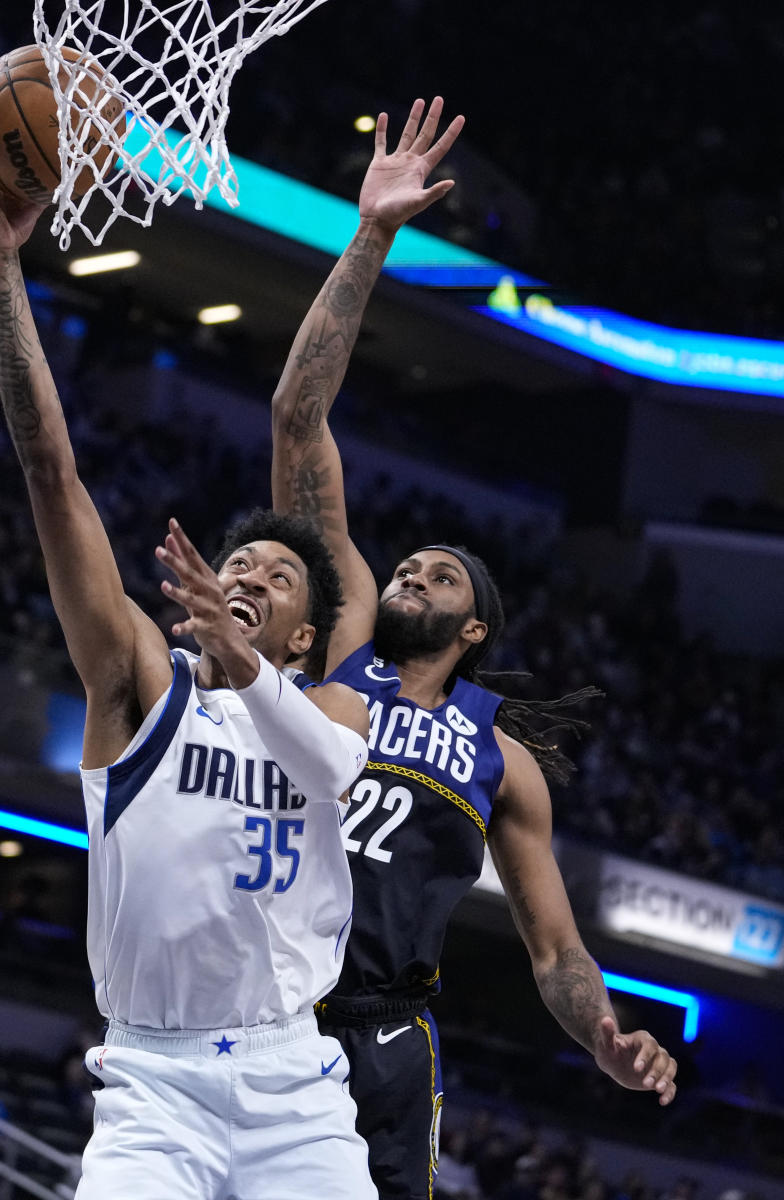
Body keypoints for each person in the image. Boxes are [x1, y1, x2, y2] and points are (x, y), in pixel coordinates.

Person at [0, 107, 376, 1199]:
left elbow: (331, 771)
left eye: (275, 580)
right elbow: (52, 473)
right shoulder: (140, 681)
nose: (247, 576)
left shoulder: (332, 707)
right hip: (154, 1082)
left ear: (305, 636)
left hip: (296, 1081)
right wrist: (5, 265)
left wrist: (370, 233)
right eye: (236, 565)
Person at [270, 97, 679, 1200]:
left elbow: (555, 954)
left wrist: (606, 1036)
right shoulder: (343, 640)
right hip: (263, 1006)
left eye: (441, 574)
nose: (412, 570)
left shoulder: (506, 761)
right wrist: (372, 237)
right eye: (412, 562)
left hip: (387, 1034)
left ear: (474, 627)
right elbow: (299, 422)